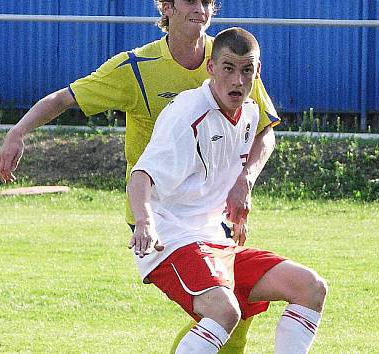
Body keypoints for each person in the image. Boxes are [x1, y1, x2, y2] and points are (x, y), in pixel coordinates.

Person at [0, 1, 279, 351]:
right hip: (160, 216)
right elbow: (66, 98)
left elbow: (265, 128)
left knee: (234, 315)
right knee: (222, 312)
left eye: (206, 1)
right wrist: (17, 133)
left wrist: (244, 180)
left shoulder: (230, 58)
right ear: (168, 7)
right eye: (190, 0)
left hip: (210, 213)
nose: (200, 8)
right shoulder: (137, 67)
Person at [127, 27, 327, 354]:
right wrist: (144, 222)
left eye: (246, 70)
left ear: (257, 72)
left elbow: (249, 152)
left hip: (215, 239)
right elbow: (141, 176)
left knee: (310, 288)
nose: (238, 80)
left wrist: (240, 194)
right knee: (224, 311)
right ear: (211, 69)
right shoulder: (187, 113)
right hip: (172, 239)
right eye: (228, 69)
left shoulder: (249, 113)